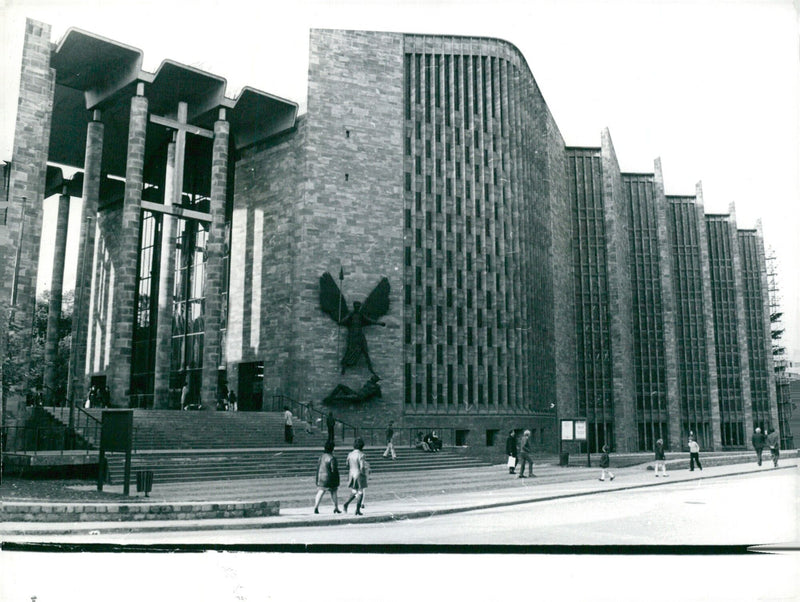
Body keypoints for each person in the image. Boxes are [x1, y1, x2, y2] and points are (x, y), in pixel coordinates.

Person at [313, 440, 341, 514]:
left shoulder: (321, 457)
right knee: (334, 492)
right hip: (330, 478)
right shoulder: (332, 458)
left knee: (320, 492)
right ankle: (336, 508)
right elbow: (334, 470)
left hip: (321, 478)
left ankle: (316, 507)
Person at [343, 438, 367, 515]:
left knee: (354, 491)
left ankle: (346, 504)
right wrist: (364, 474)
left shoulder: (350, 454)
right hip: (359, 474)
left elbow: (346, 464)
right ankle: (357, 509)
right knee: (360, 492)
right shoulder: (362, 455)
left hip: (351, 473)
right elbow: (362, 466)